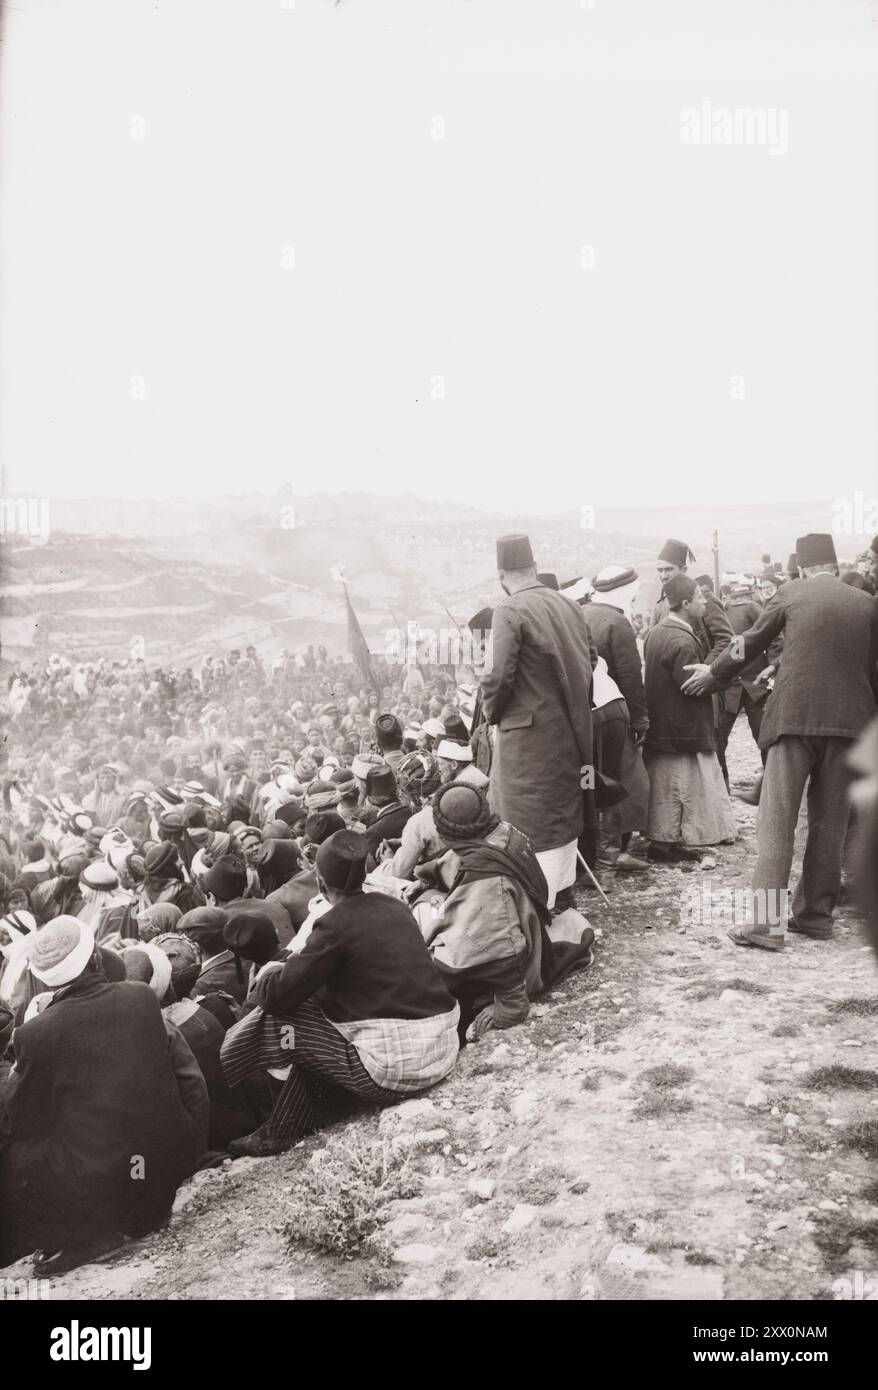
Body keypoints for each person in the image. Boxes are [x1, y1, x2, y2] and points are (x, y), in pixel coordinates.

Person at [682, 532, 878, 948]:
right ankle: (815, 917)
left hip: (792, 720)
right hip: (849, 728)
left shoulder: (790, 594)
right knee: (830, 823)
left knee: (777, 821)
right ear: (835, 565)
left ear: (804, 568)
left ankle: (765, 927)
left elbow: (747, 643)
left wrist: (714, 673)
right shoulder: (867, 605)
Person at [219, 831, 459, 1157]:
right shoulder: (395, 906)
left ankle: (267, 1118)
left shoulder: (332, 925)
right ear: (363, 874)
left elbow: (277, 997)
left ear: (319, 883)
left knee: (285, 1016)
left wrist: (273, 972)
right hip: (443, 1047)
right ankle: (281, 1126)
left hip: (400, 1069)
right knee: (313, 1032)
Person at [0, 916, 207, 1272]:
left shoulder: (36, 1033)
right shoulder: (141, 996)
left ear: (44, 979)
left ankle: (86, 1236)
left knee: (19, 1152)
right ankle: (136, 1214)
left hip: (112, 1190)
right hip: (159, 1174)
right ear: (97, 958)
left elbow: (18, 1119)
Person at [415, 783, 593, 1040]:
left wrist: (511, 1003)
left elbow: (501, 945)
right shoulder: (503, 832)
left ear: (444, 832)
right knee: (430, 904)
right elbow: (454, 862)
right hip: (528, 928)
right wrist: (427, 875)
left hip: (521, 964)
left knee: (429, 955)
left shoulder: (486, 879)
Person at [479, 534, 594, 912]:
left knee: (528, 821)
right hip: (570, 732)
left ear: (501, 574)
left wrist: (490, 715)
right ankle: (564, 901)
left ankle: (538, 913)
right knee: (561, 812)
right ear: (532, 567)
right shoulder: (567, 604)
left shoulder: (509, 610)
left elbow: (496, 678)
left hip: (527, 744)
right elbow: (589, 660)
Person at [643, 575, 736, 858]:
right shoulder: (682, 640)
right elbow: (694, 686)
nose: (705, 601)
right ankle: (664, 845)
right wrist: (720, 677)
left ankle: (665, 842)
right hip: (682, 728)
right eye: (699, 597)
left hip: (664, 726)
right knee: (679, 788)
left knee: (667, 786)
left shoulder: (658, 631)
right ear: (685, 603)